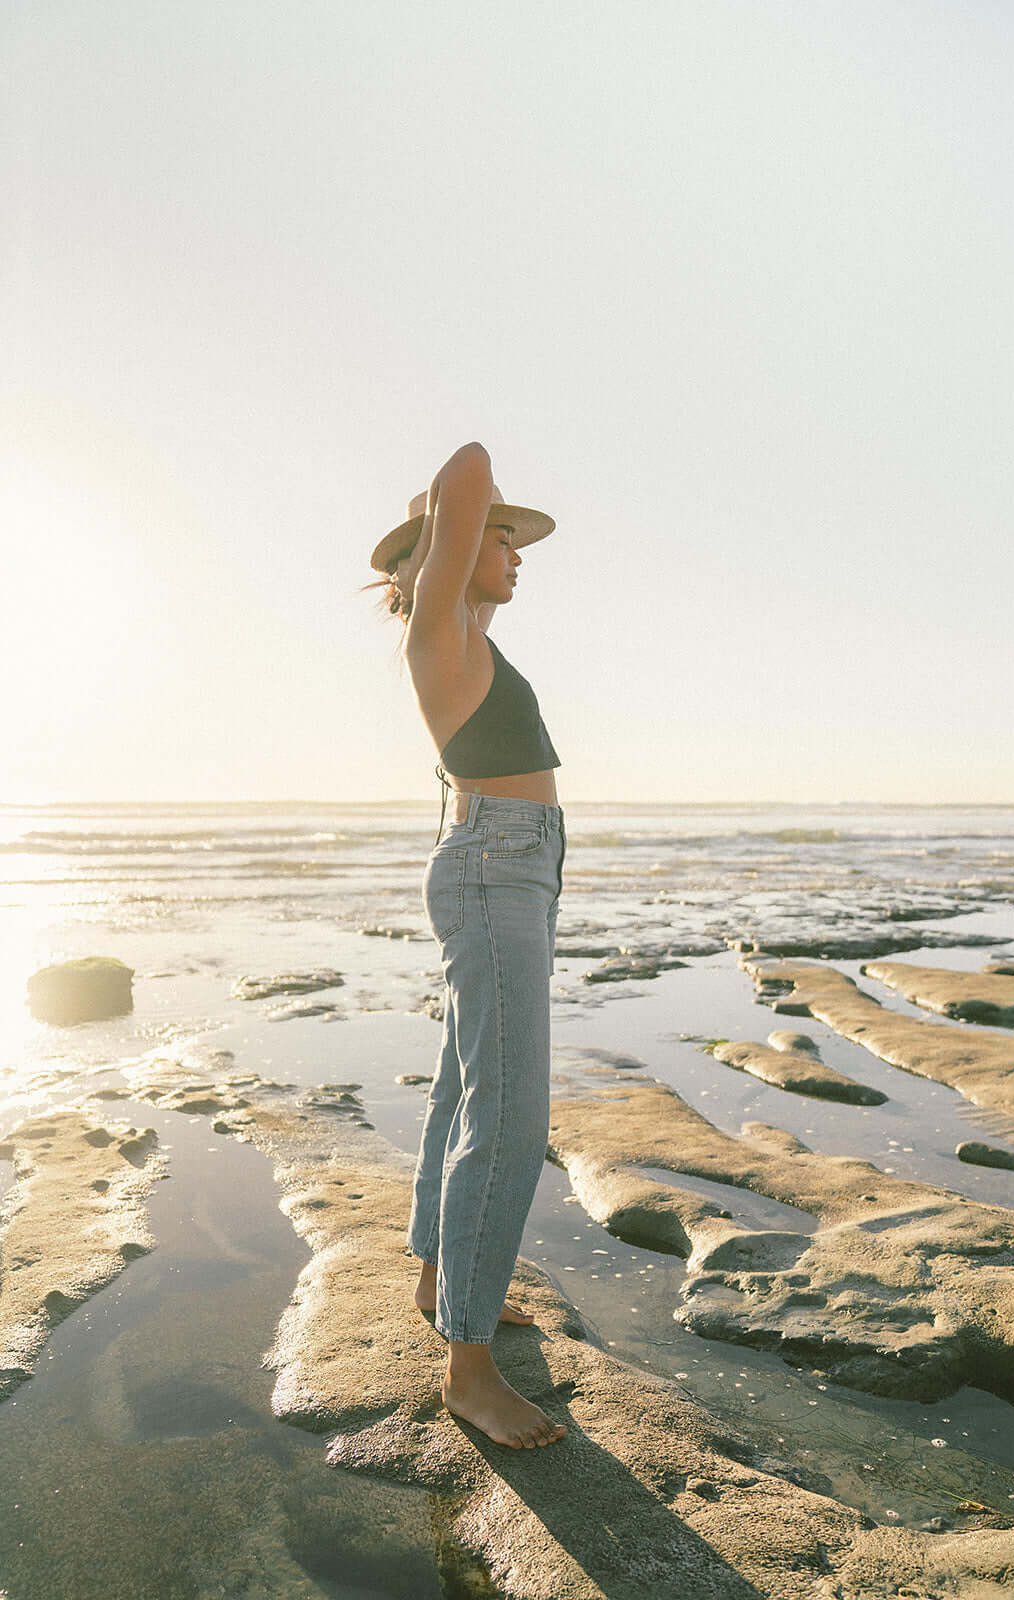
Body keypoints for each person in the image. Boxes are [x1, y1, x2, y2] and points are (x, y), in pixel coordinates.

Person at [368, 440, 568, 1450]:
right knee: (511, 1111)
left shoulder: (469, 634)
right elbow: (467, 465)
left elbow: (469, 515)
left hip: (510, 862)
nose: (520, 554)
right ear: (446, 551)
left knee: (461, 1084)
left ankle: (439, 1278)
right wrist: (443, 531)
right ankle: (468, 1369)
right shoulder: (436, 634)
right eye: (504, 538)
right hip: (496, 866)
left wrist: (467, 542)